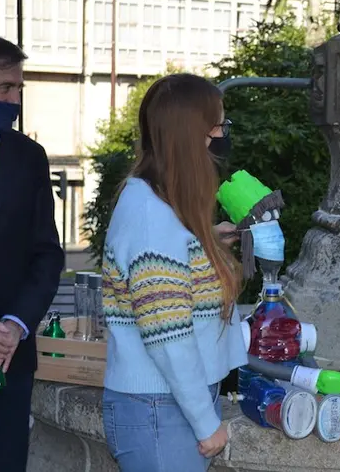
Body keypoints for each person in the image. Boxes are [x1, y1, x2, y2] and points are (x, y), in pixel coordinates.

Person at [101, 73, 246, 471]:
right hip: (160, 410)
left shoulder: (160, 208)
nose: (221, 134)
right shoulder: (151, 218)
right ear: (191, 133)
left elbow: (166, 278)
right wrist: (205, 423)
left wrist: (206, 244)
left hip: (164, 406)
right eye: (217, 125)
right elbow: (167, 334)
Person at [0, 34, 64, 470]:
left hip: (10, 359)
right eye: (5, 88)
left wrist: (15, 325)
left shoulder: (30, 157)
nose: (15, 99)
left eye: (19, 88)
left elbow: (47, 253)